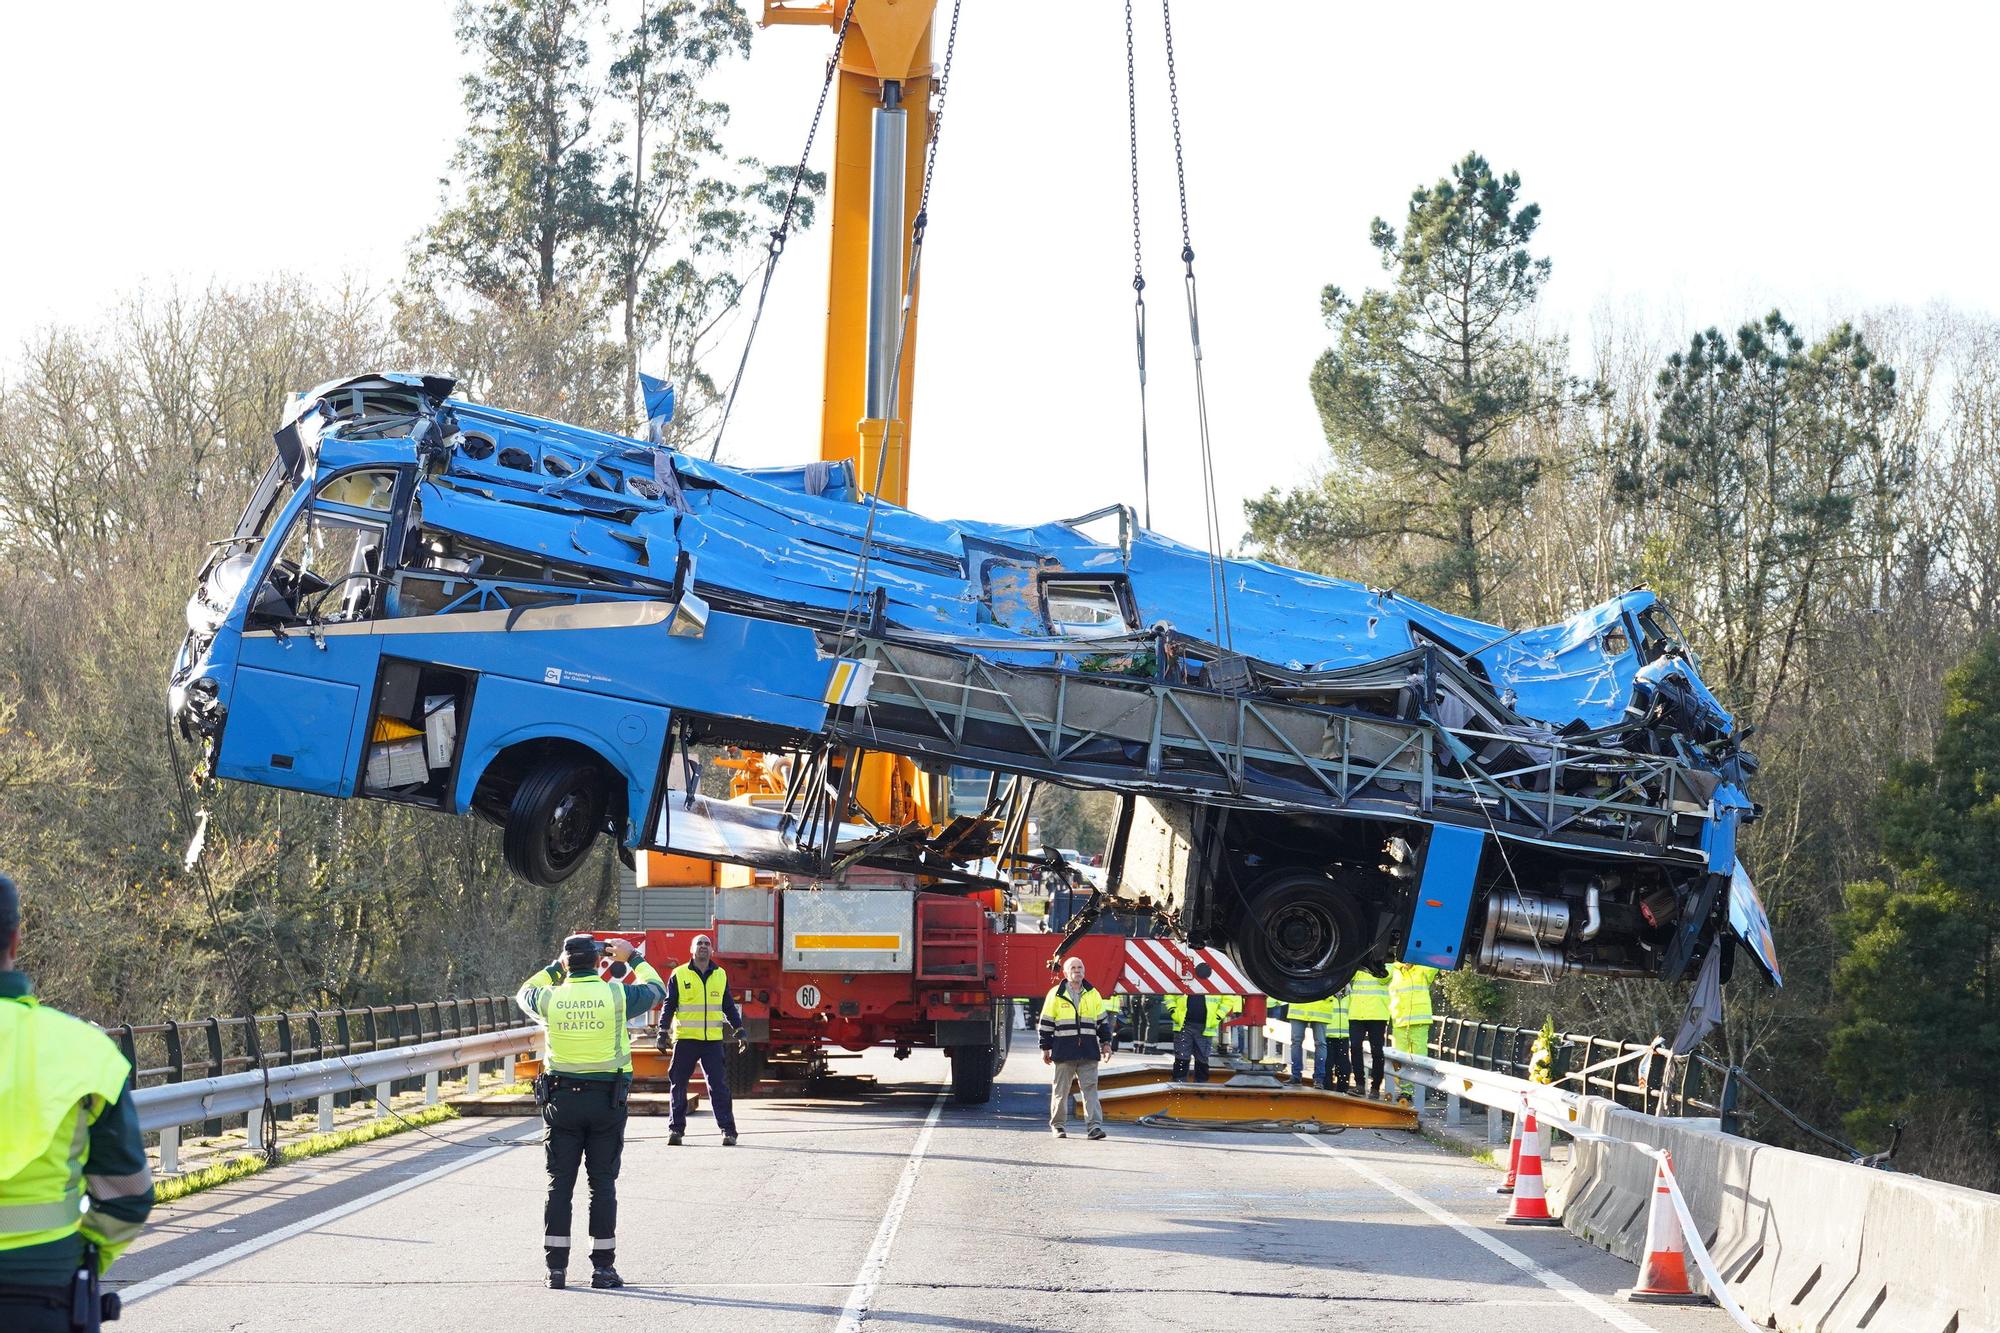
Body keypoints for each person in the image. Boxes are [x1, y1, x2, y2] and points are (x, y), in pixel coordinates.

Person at [0, 874, 154, 1332]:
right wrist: (82, 1259)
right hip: (44, 1294)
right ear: (16, 937)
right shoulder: (81, 1049)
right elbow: (128, 1194)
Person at [517, 932, 667, 1290]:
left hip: (562, 1103)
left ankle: (556, 1270)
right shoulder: (614, 994)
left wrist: (556, 968)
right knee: (602, 1187)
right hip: (605, 1103)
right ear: (598, 959)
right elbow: (657, 989)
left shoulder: (550, 997)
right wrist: (631, 957)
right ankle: (602, 1269)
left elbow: (523, 992)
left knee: (559, 1188)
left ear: (568, 962)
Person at [658, 934, 745, 1149]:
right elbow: (669, 1005)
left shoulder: (720, 974)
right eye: (700, 944)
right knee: (679, 1085)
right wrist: (662, 1031)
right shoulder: (679, 974)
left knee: (719, 1087)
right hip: (685, 1040)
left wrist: (740, 1029)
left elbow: (728, 1005)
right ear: (692, 949)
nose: (704, 947)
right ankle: (675, 1130)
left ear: (712, 950)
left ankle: (728, 1131)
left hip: (712, 1043)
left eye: (707, 944)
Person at [1038, 956, 1113, 1140]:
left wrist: (1106, 1044)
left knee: (1090, 1091)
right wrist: (1045, 1048)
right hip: (1064, 1052)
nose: (1077, 970)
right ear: (1065, 973)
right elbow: (1046, 1024)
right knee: (1060, 1092)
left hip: (1088, 1052)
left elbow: (1102, 1022)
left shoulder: (1093, 993)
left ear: (1084, 971)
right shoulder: (1055, 994)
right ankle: (1058, 1127)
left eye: (1080, 967)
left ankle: (1094, 1127)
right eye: (1073, 968)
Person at [1388, 961, 1439, 1100]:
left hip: (1419, 1021)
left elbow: (1436, 961)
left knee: (1420, 1056)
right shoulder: (1393, 970)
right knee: (1400, 1058)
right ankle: (1406, 1091)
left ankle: (1421, 1089)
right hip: (1399, 1021)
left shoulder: (1423, 969)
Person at [1346, 961, 1392, 1099]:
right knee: (1354, 1047)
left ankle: (1375, 1087)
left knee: (1377, 1051)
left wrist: (1374, 964)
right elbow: (1346, 975)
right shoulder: (1358, 963)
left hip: (1377, 1014)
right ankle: (1359, 1084)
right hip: (1356, 1013)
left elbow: (1385, 977)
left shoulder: (1389, 963)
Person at [1163, 991, 1219, 1083]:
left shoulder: (1214, 979)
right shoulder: (1183, 979)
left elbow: (1228, 999)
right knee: (1182, 1058)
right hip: (1184, 1025)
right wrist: (1173, 1010)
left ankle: (1201, 1088)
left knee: (1202, 1059)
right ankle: (1179, 1086)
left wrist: (1218, 1015)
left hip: (1204, 1027)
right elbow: (1169, 993)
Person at [1284, 992, 1335, 1088]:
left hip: (1313, 1005)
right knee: (1316, 1043)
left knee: (1300, 1042)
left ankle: (1316, 1079)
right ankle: (1304, 1077)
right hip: (1307, 1004)